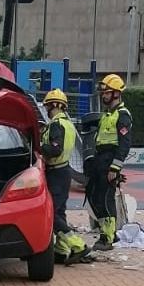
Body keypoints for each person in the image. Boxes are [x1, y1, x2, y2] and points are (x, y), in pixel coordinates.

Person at [39, 89, 91, 264]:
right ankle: (61, 250)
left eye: (47, 106)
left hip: (56, 172)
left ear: (54, 105)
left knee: (51, 214)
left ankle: (78, 245)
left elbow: (55, 149)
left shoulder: (56, 125)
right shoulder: (68, 124)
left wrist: (39, 146)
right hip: (63, 172)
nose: (46, 109)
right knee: (59, 212)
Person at [87, 74, 133, 250]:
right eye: (104, 93)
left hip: (109, 161)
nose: (103, 95)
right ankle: (107, 234)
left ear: (116, 94)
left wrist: (115, 167)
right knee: (94, 196)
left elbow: (124, 144)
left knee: (105, 199)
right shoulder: (108, 114)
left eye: (107, 93)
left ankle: (108, 237)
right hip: (100, 159)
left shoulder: (122, 115)